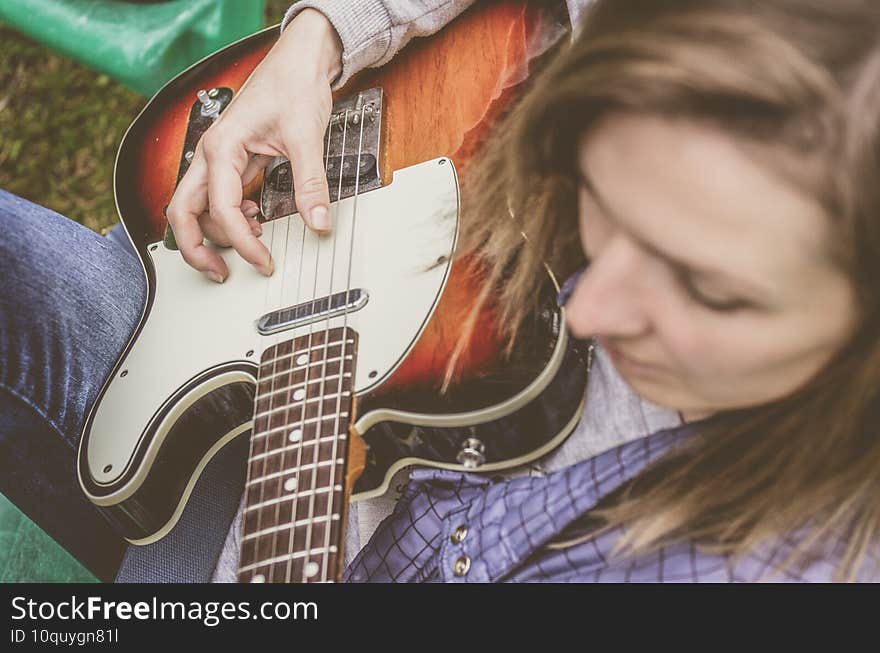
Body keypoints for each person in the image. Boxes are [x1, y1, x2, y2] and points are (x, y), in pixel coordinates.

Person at [2, 0, 878, 582]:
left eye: (708, 291)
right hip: (231, 311)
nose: (588, 310)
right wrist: (321, 38)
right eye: (600, 202)